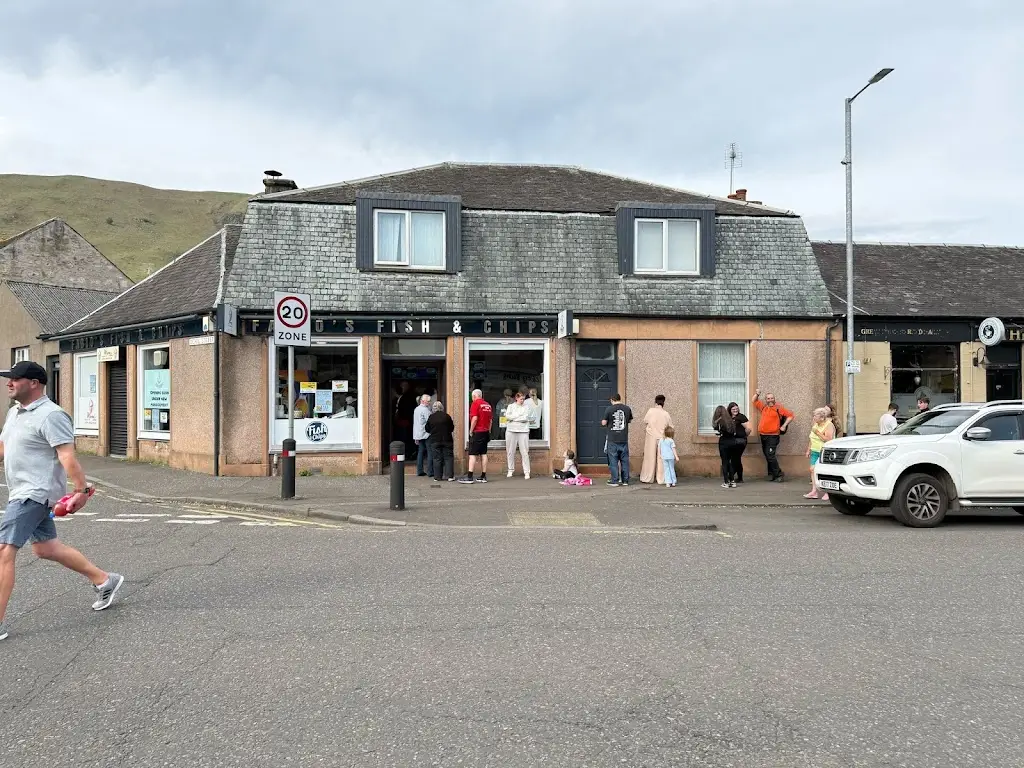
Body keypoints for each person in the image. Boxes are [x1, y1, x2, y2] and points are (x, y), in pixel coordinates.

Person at [0, 361, 123, 641]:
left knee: (4, 550)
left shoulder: (51, 415)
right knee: (46, 548)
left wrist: (81, 490)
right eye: (9, 378)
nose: (9, 383)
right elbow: (5, 448)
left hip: (34, 493)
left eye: (15, 378)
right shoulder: (15, 413)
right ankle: (105, 580)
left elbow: (67, 456)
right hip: (21, 491)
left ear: (34, 383)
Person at [753, 389, 794, 482]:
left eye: (772, 398)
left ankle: (779, 474)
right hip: (763, 436)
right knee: (767, 455)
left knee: (770, 455)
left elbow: (791, 415)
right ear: (766, 400)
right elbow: (754, 401)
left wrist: (784, 425)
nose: (770, 400)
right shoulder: (763, 407)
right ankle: (773, 474)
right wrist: (757, 394)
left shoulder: (779, 408)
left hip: (773, 436)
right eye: (768, 398)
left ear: (774, 399)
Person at [459, 389, 493, 484]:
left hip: (477, 432)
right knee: (484, 454)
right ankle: (483, 476)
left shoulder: (475, 404)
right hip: (485, 432)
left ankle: (469, 476)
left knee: (472, 454)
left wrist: (471, 431)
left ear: (474, 396)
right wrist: (489, 431)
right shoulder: (488, 405)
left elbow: (474, 418)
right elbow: (490, 420)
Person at [640, 395, 674, 484]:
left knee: (649, 457)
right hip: (662, 437)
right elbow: (670, 426)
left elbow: (645, 421)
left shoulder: (650, 411)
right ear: (663, 403)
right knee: (662, 458)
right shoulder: (666, 413)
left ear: (655, 401)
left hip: (651, 436)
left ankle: (647, 477)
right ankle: (662, 478)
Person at [804, 407, 835, 500]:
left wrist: (817, 432)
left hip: (824, 451)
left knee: (824, 471)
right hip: (814, 450)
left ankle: (828, 492)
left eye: (815, 416)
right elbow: (811, 438)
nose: (814, 418)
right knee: (812, 470)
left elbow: (828, 439)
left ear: (822, 418)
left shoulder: (829, 425)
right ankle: (814, 491)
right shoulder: (815, 424)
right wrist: (808, 449)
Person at [602, 393, 632, 486]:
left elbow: (604, 422)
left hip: (612, 439)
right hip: (623, 438)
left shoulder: (609, 409)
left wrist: (604, 422)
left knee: (613, 460)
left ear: (612, 400)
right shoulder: (627, 408)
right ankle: (625, 480)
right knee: (624, 460)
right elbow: (629, 420)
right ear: (620, 399)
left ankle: (614, 480)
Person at [504, 391, 532, 479]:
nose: (522, 400)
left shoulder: (526, 407)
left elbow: (525, 418)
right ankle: (510, 470)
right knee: (510, 451)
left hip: (523, 431)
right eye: (521, 399)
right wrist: (518, 417)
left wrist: (514, 418)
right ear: (516, 398)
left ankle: (527, 472)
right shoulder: (511, 406)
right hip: (511, 430)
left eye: (523, 399)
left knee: (524, 452)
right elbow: (507, 416)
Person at [425, 400, 455, 482]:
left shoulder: (431, 417)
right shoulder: (447, 416)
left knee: (437, 458)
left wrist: (433, 431)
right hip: (447, 440)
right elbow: (452, 428)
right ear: (442, 408)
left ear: (433, 408)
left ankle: (437, 477)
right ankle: (450, 476)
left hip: (435, 440)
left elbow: (427, 429)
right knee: (448, 457)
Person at [726, 401, 752, 485]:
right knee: (736, 458)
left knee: (735, 458)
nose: (735, 410)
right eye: (733, 409)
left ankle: (731, 477)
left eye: (737, 409)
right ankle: (740, 478)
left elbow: (749, 428)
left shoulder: (741, 417)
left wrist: (744, 436)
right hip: (731, 441)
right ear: (730, 410)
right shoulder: (728, 417)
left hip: (740, 441)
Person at [712, 405, 734, 488]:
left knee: (725, 462)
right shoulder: (730, 420)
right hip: (732, 442)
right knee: (730, 461)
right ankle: (732, 481)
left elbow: (716, 428)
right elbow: (732, 431)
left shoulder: (719, 421)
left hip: (724, 442)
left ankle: (726, 482)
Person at [413, 394, 433, 477]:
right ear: (423, 401)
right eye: (428, 401)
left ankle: (419, 470)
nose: (429, 403)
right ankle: (430, 471)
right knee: (430, 452)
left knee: (420, 452)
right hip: (426, 433)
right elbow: (430, 421)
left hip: (418, 433)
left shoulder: (416, 409)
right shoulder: (425, 410)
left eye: (429, 401)